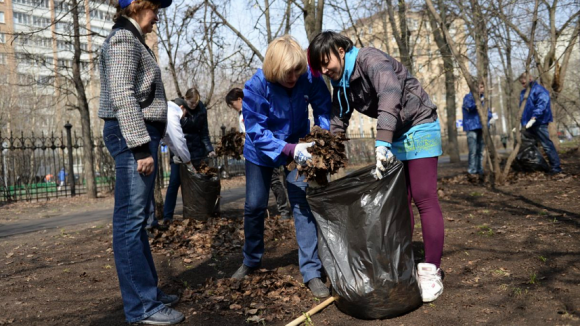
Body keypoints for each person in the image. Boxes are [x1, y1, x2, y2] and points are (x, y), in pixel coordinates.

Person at [308, 31, 444, 303]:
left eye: (326, 62)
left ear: (341, 51)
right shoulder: (343, 83)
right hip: (395, 133)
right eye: (319, 66)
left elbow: (390, 94)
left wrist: (382, 141)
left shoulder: (370, 59)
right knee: (399, 202)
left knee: (423, 197)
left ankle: (431, 271)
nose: (324, 70)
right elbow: (338, 119)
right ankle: (403, 264)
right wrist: (324, 155)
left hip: (419, 124)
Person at [98, 0, 184, 323]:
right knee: (130, 225)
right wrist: (139, 147)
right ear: (137, 6)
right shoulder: (123, 39)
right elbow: (122, 92)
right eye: (155, 5)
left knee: (136, 224)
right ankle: (142, 308)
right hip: (131, 136)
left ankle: (149, 293)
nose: (159, 13)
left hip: (137, 135)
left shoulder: (131, 38)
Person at [231, 35, 332, 298]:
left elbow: (322, 105)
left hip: (299, 145)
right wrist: (287, 149)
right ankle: (251, 260)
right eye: (289, 72)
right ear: (275, 68)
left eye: (298, 70)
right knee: (254, 205)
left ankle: (311, 271)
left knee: (301, 202)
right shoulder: (255, 86)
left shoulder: (307, 76)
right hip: (262, 151)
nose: (294, 77)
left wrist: (320, 135)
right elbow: (255, 130)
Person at [226, 88, 292, 220]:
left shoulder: (251, 109)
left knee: (273, 181)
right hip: (254, 153)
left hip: (264, 151)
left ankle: (284, 210)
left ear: (239, 99)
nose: (232, 107)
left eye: (232, 104)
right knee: (262, 183)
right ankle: (264, 211)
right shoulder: (242, 114)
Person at [161, 89, 217, 224]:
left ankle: (200, 213)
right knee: (174, 183)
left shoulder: (201, 110)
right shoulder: (176, 111)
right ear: (185, 99)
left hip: (197, 151)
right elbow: (174, 137)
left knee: (198, 181)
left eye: (196, 103)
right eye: (191, 103)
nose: (193, 106)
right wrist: (177, 154)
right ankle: (167, 216)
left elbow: (204, 132)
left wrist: (209, 149)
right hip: (179, 152)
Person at [146, 100, 195, 232]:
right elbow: (178, 140)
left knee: (148, 183)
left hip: (150, 139)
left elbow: (169, 140)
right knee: (146, 183)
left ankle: (151, 222)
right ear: (182, 108)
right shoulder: (172, 112)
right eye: (185, 114)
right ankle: (148, 224)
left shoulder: (165, 109)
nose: (184, 118)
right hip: (147, 142)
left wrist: (181, 157)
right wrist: (188, 161)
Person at [518, 72, 562, 174]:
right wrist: (521, 122)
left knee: (546, 145)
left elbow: (541, 105)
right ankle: (537, 167)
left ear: (530, 78)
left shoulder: (540, 90)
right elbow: (522, 108)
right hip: (527, 123)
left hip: (539, 122)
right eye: (521, 83)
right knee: (530, 145)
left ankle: (556, 168)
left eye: (524, 82)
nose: (523, 85)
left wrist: (534, 117)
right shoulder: (523, 93)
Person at [462, 83, 492, 175]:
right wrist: (479, 101)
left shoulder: (484, 99)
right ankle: (472, 170)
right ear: (475, 88)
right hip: (471, 127)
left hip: (482, 127)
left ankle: (480, 169)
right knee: (473, 150)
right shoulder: (468, 97)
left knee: (480, 150)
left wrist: (490, 117)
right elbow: (470, 107)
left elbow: (488, 113)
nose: (483, 89)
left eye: (483, 87)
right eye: (481, 87)